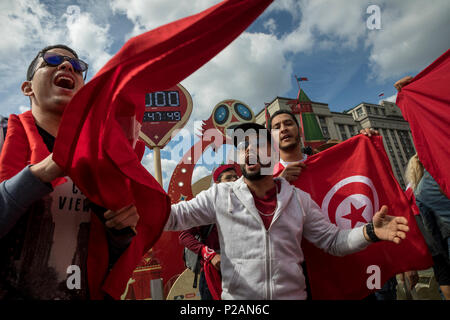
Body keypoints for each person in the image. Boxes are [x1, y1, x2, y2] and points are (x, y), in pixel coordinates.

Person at [165, 122, 410, 300]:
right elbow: (172, 216)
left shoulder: (298, 199)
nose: (248, 150)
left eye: (257, 145)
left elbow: (334, 240)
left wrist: (369, 231)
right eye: (243, 146)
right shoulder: (220, 195)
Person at [0, 45, 138, 299]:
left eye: (77, 67)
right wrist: (39, 174)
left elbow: (111, 255)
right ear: (27, 87)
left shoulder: (103, 156)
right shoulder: (2, 137)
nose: (66, 66)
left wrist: (121, 229)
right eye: (53, 60)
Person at [178, 164, 239, 300]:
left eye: (236, 177)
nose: (234, 180)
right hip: (214, 274)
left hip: (240, 273)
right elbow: (184, 236)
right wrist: (209, 254)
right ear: (217, 184)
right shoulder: (208, 208)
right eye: (228, 178)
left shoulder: (244, 206)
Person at [405, 154, 450, 300]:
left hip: (429, 239)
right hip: (442, 232)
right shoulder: (438, 178)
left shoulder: (411, 192)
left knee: (442, 274)